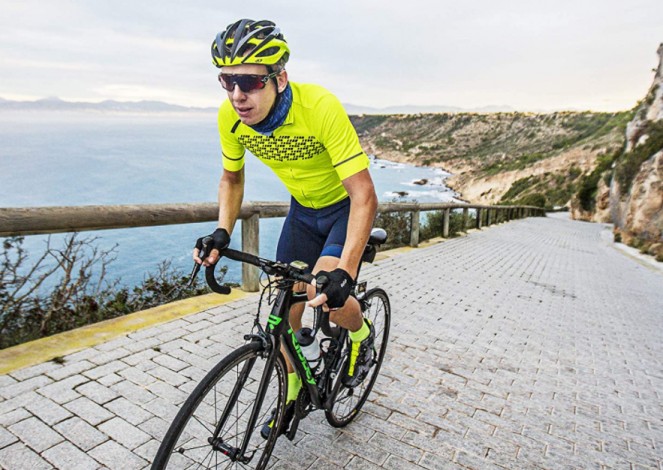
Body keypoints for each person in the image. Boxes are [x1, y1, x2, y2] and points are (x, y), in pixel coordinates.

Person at [193, 18, 378, 436]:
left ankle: (361, 332)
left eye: (250, 82)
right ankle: (293, 386)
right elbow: (232, 179)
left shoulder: (318, 107)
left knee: (322, 289)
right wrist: (222, 231)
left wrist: (344, 274)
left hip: (342, 210)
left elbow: (365, 194)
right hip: (302, 213)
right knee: (283, 309)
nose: (238, 95)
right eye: (227, 81)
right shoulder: (231, 118)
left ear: (280, 77)